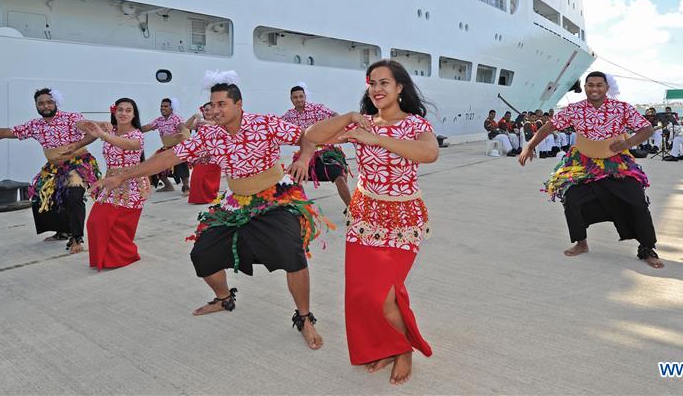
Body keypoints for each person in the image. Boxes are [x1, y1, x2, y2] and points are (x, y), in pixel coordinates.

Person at [92, 71, 333, 349]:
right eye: (212, 104)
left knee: (292, 253)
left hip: (275, 198)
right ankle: (224, 298)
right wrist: (122, 176)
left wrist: (304, 159)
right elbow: (170, 156)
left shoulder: (265, 123)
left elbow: (307, 136)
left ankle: (304, 318)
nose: (215, 110)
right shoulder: (209, 136)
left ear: (239, 105)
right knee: (202, 254)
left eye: (222, 104)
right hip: (235, 201)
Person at [305, 59, 437, 385]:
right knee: (362, 294)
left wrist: (379, 139)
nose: (377, 89)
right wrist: (351, 118)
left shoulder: (414, 124)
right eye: (372, 83)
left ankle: (403, 349)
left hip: (403, 217)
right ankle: (385, 346)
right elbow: (312, 135)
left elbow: (428, 153)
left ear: (399, 88)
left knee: (385, 294)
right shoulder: (361, 125)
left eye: (384, 83)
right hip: (365, 215)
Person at [519, 72, 664, 268]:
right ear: (585, 87)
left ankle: (646, 248)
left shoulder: (621, 108)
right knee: (572, 198)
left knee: (637, 200)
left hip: (616, 163)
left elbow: (646, 129)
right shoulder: (574, 110)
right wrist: (530, 145)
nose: (594, 89)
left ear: (606, 88)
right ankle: (581, 242)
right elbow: (549, 126)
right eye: (590, 85)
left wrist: (627, 143)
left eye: (599, 85)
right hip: (583, 163)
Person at [0, 88, 99, 253]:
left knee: (73, 196)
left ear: (55, 103)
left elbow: (89, 129)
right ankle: (63, 231)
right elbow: (5, 132)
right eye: (41, 103)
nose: (45, 106)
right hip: (54, 167)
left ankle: (77, 238)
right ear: (36, 105)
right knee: (43, 196)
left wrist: (84, 138)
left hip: (77, 163)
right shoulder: (35, 125)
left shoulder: (71, 117)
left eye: (49, 102)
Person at [80, 98, 151, 270]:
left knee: (119, 226)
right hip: (110, 182)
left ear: (134, 115)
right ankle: (105, 258)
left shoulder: (137, 135)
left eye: (128, 110)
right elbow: (81, 125)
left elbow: (128, 145)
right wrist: (96, 126)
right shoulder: (109, 129)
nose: (124, 113)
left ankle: (123, 256)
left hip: (131, 183)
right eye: (120, 110)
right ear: (114, 111)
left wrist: (104, 135)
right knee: (95, 222)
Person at [281, 84, 352, 207]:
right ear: (291, 99)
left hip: (326, 152)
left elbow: (334, 115)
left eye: (301, 96)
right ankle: (301, 210)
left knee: (339, 177)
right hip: (305, 155)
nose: (299, 99)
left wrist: (336, 128)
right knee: (291, 179)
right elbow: (278, 128)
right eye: (295, 97)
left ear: (305, 96)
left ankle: (352, 209)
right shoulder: (289, 116)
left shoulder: (317, 108)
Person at [141, 98, 189, 193]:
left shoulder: (176, 118)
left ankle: (186, 187)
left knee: (181, 164)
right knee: (154, 164)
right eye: (161, 106)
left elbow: (182, 127)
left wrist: (182, 133)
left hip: (177, 147)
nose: (163, 108)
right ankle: (168, 186)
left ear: (172, 108)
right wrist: (132, 128)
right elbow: (147, 127)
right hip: (166, 147)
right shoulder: (159, 120)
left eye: (166, 106)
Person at [185, 102, 222, 205]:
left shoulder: (218, 122)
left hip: (214, 155)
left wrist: (203, 121)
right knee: (197, 177)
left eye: (210, 110)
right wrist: (193, 117)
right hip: (201, 155)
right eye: (205, 110)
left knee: (209, 178)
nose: (207, 112)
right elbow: (187, 126)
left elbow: (215, 124)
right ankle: (199, 198)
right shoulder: (200, 123)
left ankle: (210, 197)